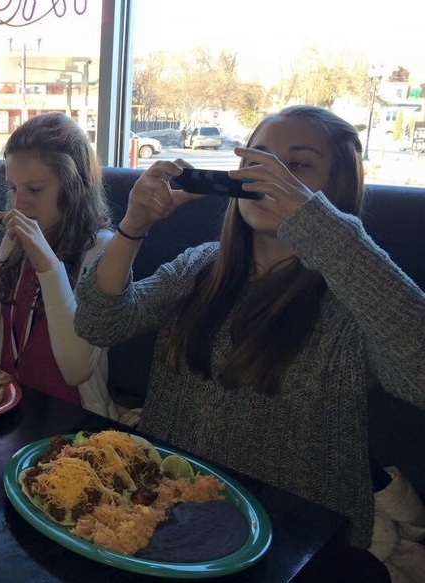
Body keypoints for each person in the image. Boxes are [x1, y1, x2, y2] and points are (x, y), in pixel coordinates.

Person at [74, 105, 425, 576]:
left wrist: (322, 229)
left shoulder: (355, 296)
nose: (267, 176)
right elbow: (99, 324)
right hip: (168, 516)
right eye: (257, 159)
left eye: (296, 165)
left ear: (335, 192)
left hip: (294, 541)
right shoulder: (202, 264)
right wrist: (133, 226)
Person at [0, 112, 118, 419]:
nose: (18, 204)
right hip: (6, 408)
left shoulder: (103, 250)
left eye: (35, 189)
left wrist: (47, 263)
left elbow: (76, 371)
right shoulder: (15, 242)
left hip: (72, 421)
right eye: (13, 188)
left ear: (74, 188)